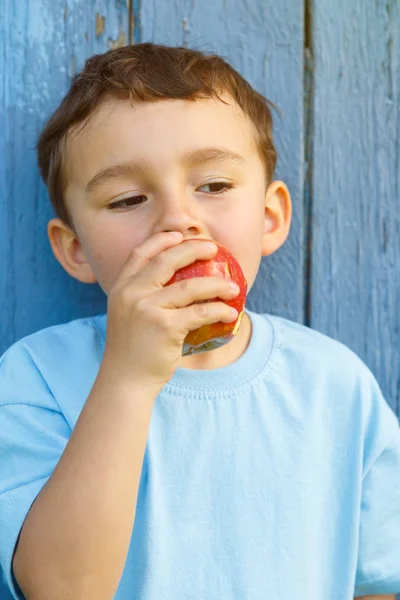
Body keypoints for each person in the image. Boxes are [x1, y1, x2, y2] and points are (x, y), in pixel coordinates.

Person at [0, 42, 399, 600]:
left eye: (213, 186)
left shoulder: (335, 385)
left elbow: (378, 582)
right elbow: (60, 588)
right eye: (127, 199)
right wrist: (128, 375)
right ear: (76, 250)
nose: (178, 220)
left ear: (268, 217)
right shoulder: (35, 378)